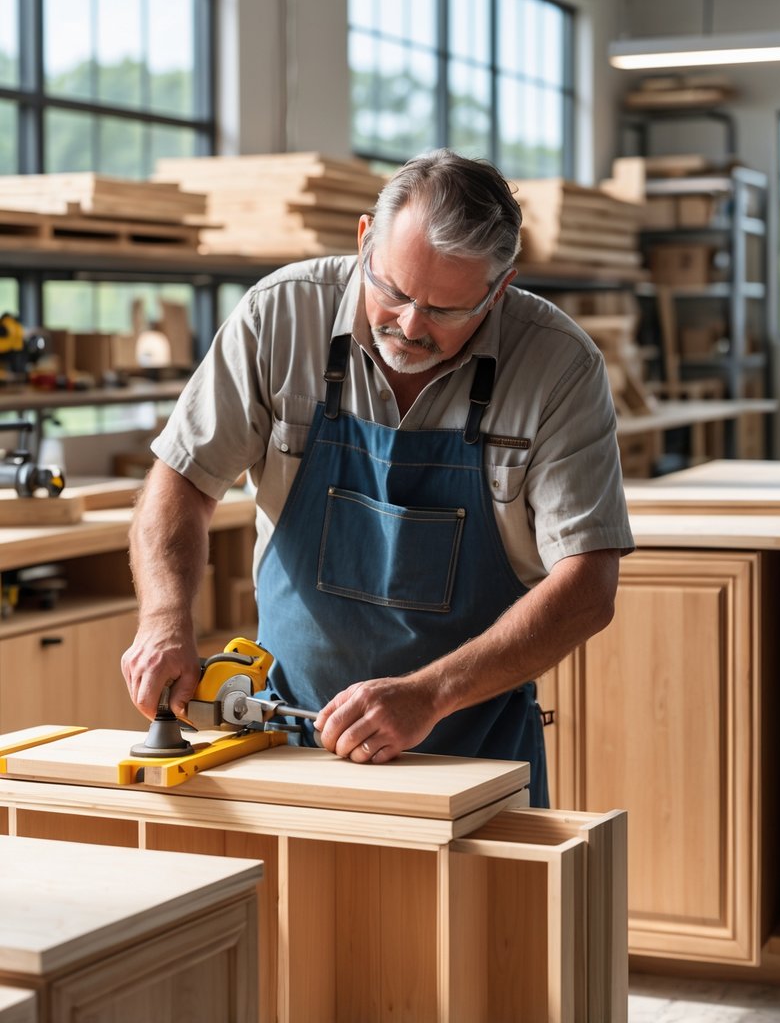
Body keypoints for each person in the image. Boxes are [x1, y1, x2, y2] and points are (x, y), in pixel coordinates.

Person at [122, 148, 634, 806]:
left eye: (446, 311)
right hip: (286, 740)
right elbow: (182, 479)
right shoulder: (281, 315)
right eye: (392, 290)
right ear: (365, 238)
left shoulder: (558, 366)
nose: (410, 326)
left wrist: (429, 694)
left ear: (499, 288)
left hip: (469, 750)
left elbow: (588, 584)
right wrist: (163, 619)